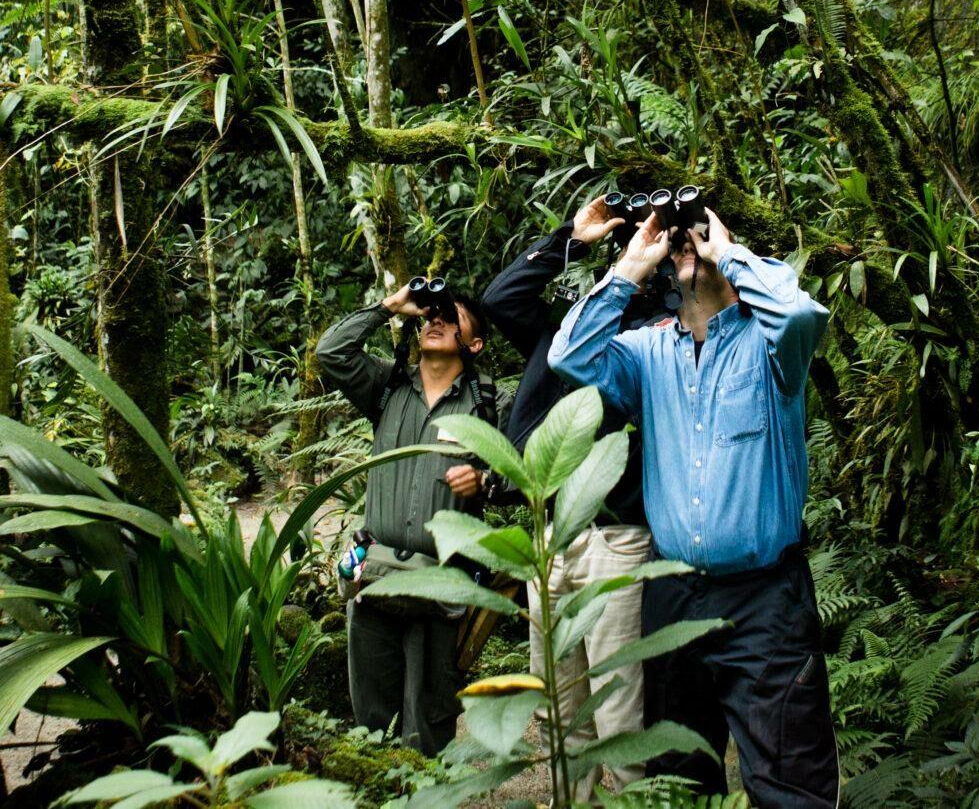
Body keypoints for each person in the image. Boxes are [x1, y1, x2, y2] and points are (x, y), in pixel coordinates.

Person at [547, 210, 839, 807]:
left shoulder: (771, 347)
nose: (688, 245)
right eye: (682, 238)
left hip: (766, 601)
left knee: (791, 785)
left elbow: (801, 312)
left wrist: (727, 254)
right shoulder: (644, 353)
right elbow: (568, 357)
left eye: (696, 234)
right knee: (677, 779)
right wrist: (632, 264)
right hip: (673, 595)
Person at [481, 196, 664, 801]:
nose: (635, 252)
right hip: (549, 535)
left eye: (647, 246)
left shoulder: (656, 341)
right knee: (559, 711)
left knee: (621, 717)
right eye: (628, 244)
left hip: (617, 537)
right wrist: (574, 239)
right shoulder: (564, 326)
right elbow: (500, 299)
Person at [315, 282, 507, 755]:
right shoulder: (387, 386)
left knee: (427, 726)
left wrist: (485, 480)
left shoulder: (490, 404)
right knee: (369, 725)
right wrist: (389, 308)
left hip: (442, 588)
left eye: (451, 315)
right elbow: (331, 351)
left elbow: (527, 473)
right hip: (374, 579)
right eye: (430, 315)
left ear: (475, 344)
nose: (435, 319)